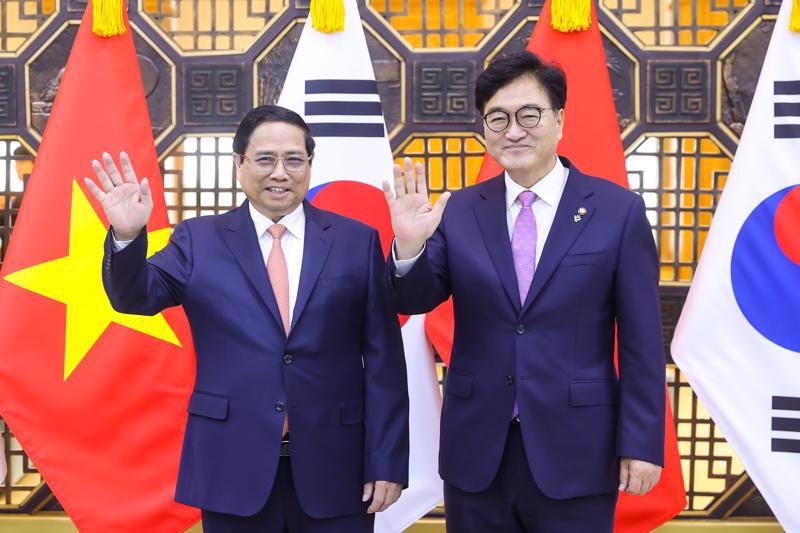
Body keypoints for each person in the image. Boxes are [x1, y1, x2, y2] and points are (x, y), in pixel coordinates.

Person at [86, 105, 409, 533]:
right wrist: (127, 236)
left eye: (294, 159)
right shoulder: (197, 240)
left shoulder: (356, 240)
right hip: (230, 465)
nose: (280, 172)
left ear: (310, 165)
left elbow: (384, 360)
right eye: (264, 159)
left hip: (338, 465)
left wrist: (387, 460)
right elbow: (134, 297)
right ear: (239, 164)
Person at [383, 51, 665, 532]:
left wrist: (641, 443)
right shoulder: (461, 210)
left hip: (578, 448)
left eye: (528, 114)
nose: (513, 131)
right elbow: (414, 300)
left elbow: (641, 340)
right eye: (497, 118)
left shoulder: (617, 211)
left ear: (559, 120)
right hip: (478, 449)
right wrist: (408, 248)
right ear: (484, 130)